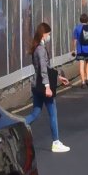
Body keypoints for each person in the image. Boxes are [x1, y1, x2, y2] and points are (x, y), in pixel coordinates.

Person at [29, 21, 69, 153]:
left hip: (36, 85)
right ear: (43, 34)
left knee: (35, 113)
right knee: (53, 113)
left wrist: (58, 76)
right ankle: (56, 142)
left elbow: (47, 67)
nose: (49, 36)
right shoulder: (40, 50)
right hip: (42, 85)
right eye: (48, 34)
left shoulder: (37, 48)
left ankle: (16, 128)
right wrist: (47, 86)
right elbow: (43, 69)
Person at [72, 10, 88, 87]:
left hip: (80, 49)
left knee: (81, 65)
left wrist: (73, 49)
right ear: (87, 20)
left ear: (80, 20)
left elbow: (75, 40)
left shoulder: (77, 28)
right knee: (87, 63)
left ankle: (83, 82)